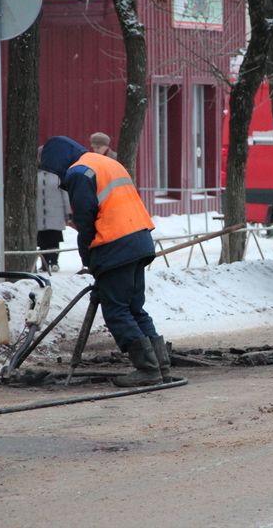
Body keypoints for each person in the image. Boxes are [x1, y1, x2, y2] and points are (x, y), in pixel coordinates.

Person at [40, 135, 169, 387]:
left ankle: (148, 369)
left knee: (116, 310)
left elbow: (85, 221)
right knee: (134, 307)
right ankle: (161, 365)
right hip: (139, 239)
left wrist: (89, 258)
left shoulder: (79, 172)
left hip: (115, 244)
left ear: (58, 161)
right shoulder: (105, 163)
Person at [36, 146, 71, 273]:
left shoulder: (58, 173)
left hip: (55, 211)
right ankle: (44, 264)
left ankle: (54, 262)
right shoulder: (34, 173)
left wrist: (68, 211)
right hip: (39, 213)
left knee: (54, 239)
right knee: (42, 240)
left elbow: (65, 193)